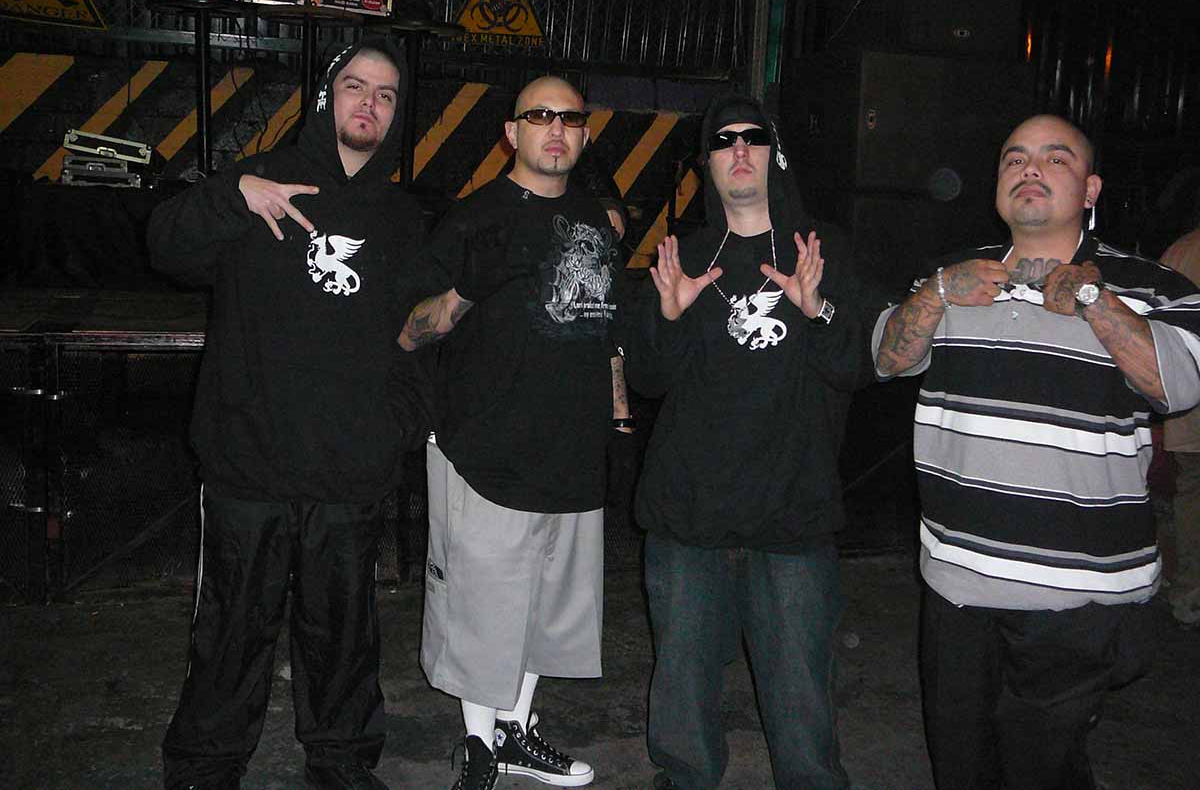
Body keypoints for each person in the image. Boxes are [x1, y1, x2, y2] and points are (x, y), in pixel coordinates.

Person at [873, 114, 1200, 789]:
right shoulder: (954, 276)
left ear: (1091, 189)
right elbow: (887, 357)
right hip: (957, 581)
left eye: (1056, 158)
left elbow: (1179, 385)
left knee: (1042, 774)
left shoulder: (1152, 285)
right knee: (961, 769)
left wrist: (1092, 299)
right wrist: (938, 293)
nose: (1030, 168)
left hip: (1078, 596)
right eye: (1014, 157)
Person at [148, 38, 430, 790]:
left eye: (386, 94)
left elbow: (417, 334)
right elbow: (164, 247)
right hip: (251, 464)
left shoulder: (403, 219)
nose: (369, 103)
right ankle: (206, 764)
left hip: (350, 469)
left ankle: (341, 760)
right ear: (327, 95)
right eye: (355, 86)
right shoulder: (262, 181)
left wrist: (396, 425)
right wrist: (232, 193)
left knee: (343, 633)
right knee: (231, 629)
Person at [622, 94, 881, 790]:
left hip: (791, 514)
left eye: (753, 137)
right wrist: (669, 318)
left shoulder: (822, 249)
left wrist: (818, 309)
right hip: (689, 514)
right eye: (723, 140)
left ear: (775, 153)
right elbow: (647, 378)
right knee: (683, 694)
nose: (738, 150)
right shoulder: (684, 255)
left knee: (802, 702)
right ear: (707, 163)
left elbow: (857, 365)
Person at [398, 76, 621, 790]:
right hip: (484, 450)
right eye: (540, 115)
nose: (556, 128)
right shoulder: (472, 218)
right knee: (481, 609)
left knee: (543, 612)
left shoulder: (596, 221)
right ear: (511, 132)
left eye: (570, 118)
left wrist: (616, 417)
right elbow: (408, 331)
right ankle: (477, 744)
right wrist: (468, 289)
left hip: (571, 450)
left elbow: (605, 331)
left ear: (584, 134)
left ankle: (516, 731)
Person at [1159, 221, 1200, 625]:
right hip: (1190, 406)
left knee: (1191, 500)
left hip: (1188, 412)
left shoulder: (1181, 250)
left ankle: (1190, 595)